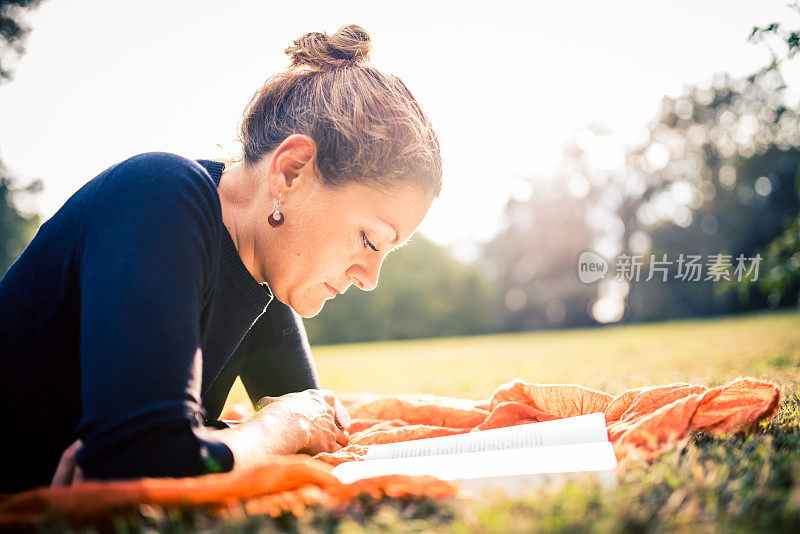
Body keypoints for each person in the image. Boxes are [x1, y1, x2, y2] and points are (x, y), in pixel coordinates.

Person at [0, 24, 442, 493]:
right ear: (291, 172)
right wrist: (279, 428)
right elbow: (140, 462)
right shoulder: (160, 197)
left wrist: (240, 437)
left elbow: (319, 433)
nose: (370, 278)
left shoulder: (267, 278)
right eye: (370, 241)